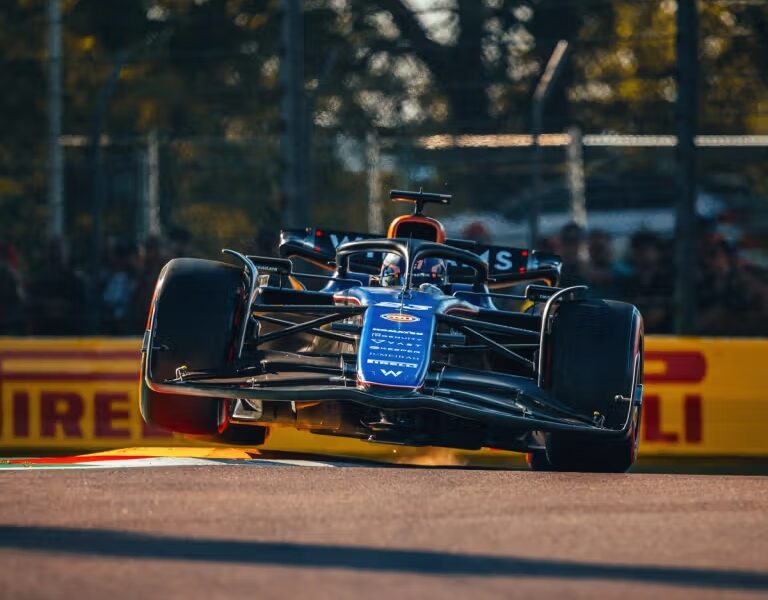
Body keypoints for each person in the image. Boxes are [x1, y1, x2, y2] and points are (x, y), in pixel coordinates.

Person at [618, 231, 674, 333]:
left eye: (646, 249)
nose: (641, 253)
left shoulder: (668, 281)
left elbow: (658, 316)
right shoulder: (628, 281)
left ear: (659, 252)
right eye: (637, 249)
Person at [557, 222, 589, 288]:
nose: (571, 248)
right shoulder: (554, 271)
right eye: (567, 242)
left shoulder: (590, 273)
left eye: (574, 242)